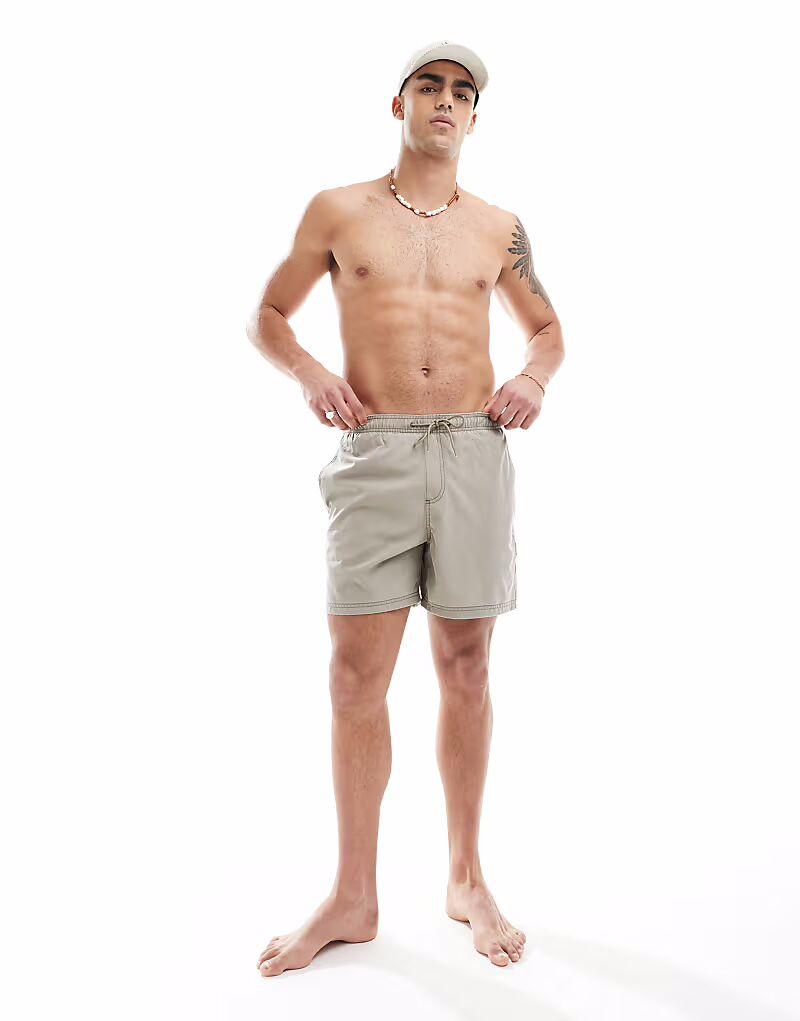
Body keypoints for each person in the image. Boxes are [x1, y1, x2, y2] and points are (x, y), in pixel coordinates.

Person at [246, 40, 565, 976]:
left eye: (462, 92)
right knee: (355, 677)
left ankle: (466, 877)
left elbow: (547, 330)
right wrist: (309, 373)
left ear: (474, 119)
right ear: (400, 105)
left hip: (473, 446)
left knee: (467, 665)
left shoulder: (498, 227)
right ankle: (354, 893)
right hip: (375, 450)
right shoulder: (338, 210)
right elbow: (268, 314)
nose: (445, 100)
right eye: (430, 85)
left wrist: (533, 379)